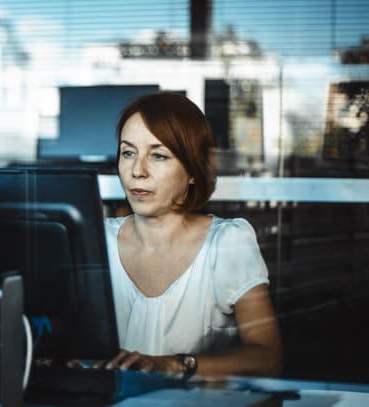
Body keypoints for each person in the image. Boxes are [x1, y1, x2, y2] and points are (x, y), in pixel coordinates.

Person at [102, 92, 283, 380]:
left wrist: (175, 365)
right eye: (128, 152)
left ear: (193, 171)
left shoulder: (227, 242)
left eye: (158, 155)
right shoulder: (98, 241)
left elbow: (267, 357)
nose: (137, 170)